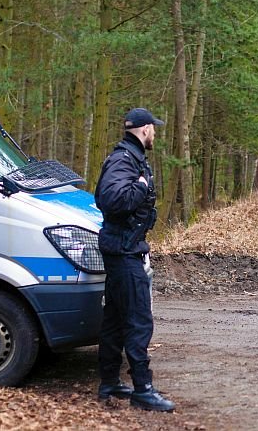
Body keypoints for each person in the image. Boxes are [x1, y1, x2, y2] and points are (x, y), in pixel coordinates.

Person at [95, 107, 174, 412]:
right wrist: (141, 187)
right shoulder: (125, 159)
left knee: (115, 319)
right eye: (153, 128)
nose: (155, 133)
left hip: (123, 248)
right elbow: (110, 199)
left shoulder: (129, 158)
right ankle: (143, 388)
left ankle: (109, 382)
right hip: (124, 251)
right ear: (143, 130)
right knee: (139, 320)